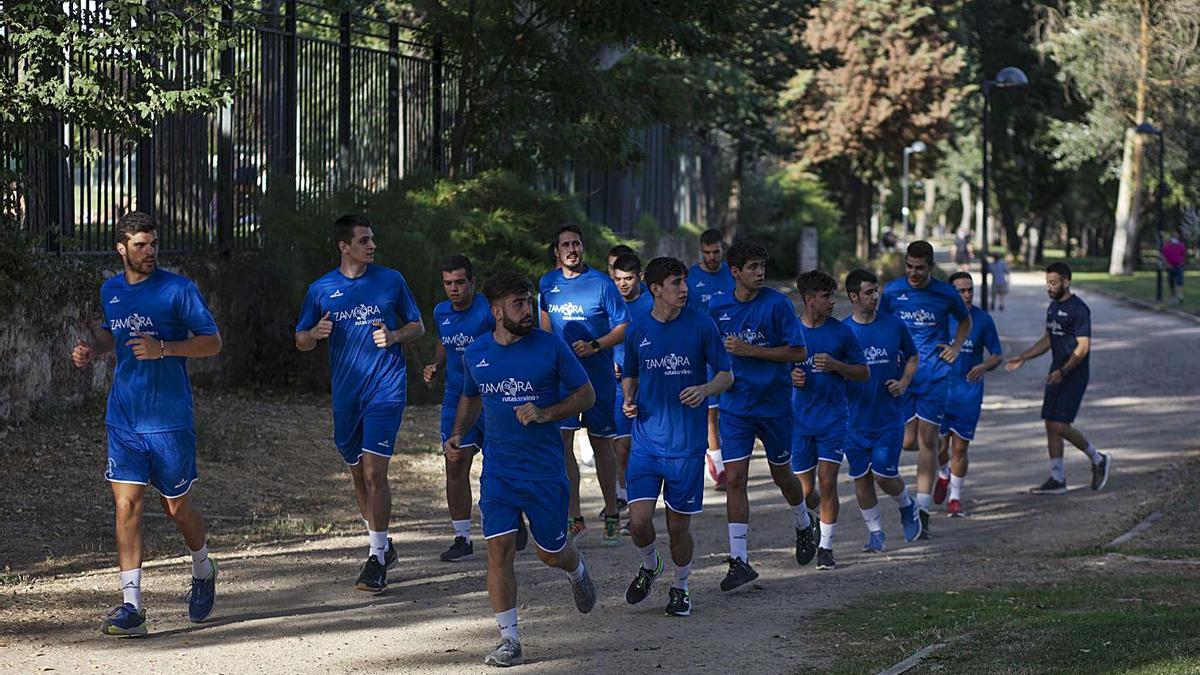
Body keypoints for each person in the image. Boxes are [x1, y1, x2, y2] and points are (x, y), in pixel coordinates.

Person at [71, 211, 223, 636]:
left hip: (170, 419)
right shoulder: (112, 290)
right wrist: (92, 349)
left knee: (175, 506)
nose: (150, 251)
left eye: (153, 243)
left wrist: (165, 349)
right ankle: (132, 605)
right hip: (124, 417)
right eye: (140, 245)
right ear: (122, 249)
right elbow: (111, 334)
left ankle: (203, 566)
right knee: (126, 505)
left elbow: (212, 342)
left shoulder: (178, 289)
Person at [447, 271, 598, 667]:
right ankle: (509, 639)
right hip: (499, 472)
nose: (527, 309)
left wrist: (547, 412)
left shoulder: (551, 348)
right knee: (499, 550)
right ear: (497, 311)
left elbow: (586, 394)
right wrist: (458, 433)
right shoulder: (476, 352)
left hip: (545, 473)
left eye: (529, 301)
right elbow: (471, 396)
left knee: (551, 553)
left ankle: (577, 568)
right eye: (518, 303)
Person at [295, 214, 425, 593]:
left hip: (386, 389)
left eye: (372, 240)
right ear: (344, 246)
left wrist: (396, 334)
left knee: (374, 473)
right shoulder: (321, 289)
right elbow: (299, 339)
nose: (372, 246)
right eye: (364, 240)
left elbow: (417, 325)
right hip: (347, 394)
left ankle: (375, 559)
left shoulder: (391, 280)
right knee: (357, 474)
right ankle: (383, 543)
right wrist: (313, 335)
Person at [621, 257, 733, 616]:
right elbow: (631, 373)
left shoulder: (702, 325)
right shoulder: (638, 329)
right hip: (645, 442)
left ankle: (681, 587)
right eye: (675, 283)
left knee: (677, 527)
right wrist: (628, 399)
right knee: (638, 521)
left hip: (686, 446)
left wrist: (704, 389)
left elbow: (726, 376)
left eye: (684, 282)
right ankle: (650, 564)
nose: (684, 289)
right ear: (655, 289)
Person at [710, 241, 814, 591]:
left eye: (762, 266)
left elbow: (798, 351)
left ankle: (803, 522)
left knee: (781, 474)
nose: (760, 272)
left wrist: (750, 350)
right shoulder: (718, 307)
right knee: (735, 478)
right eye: (752, 267)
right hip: (735, 407)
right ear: (735, 272)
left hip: (774, 405)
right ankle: (739, 561)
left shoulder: (777, 304)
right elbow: (709, 351)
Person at [539, 225, 630, 545]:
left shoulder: (602, 284)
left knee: (601, 443)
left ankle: (611, 514)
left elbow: (624, 326)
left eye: (576, 243)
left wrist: (595, 345)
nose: (572, 249)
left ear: (583, 247)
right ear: (556, 251)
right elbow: (545, 326)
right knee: (563, 443)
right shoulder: (547, 283)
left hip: (598, 377)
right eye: (565, 244)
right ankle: (574, 516)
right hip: (562, 380)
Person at [881, 240, 971, 539]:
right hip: (902, 375)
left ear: (930, 267)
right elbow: (882, 323)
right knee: (907, 441)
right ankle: (934, 475)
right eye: (909, 266)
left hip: (934, 375)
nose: (913, 273)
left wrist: (957, 347)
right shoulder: (893, 291)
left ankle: (922, 511)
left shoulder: (945, 293)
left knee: (928, 440)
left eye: (920, 268)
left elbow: (965, 321)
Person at [1006, 262, 1111, 494]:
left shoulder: (1079, 309)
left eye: (1053, 283)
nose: (1049, 287)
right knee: (1050, 424)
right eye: (1047, 283)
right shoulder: (1053, 307)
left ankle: (1098, 458)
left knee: (1060, 425)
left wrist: (1063, 371)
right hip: (1056, 373)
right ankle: (1057, 478)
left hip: (1074, 374)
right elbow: (1047, 340)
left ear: (1066, 282)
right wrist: (1024, 357)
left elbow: (1083, 348)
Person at [790, 271, 869, 570]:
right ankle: (811, 520)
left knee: (828, 480)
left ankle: (826, 546)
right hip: (799, 420)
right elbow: (772, 371)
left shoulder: (841, 333)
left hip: (834, 417)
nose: (832, 302)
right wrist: (790, 377)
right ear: (810, 300)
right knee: (805, 491)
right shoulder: (791, 332)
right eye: (826, 296)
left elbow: (863, 372)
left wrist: (837, 365)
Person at [423, 255, 499, 562]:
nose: (453, 289)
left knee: (498, 465)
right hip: (456, 397)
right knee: (454, 461)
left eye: (459, 283)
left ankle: (509, 519)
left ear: (472, 283)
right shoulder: (441, 311)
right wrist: (435, 364)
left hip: (492, 397)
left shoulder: (488, 311)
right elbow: (444, 341)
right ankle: (462, 537)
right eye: (448, 283)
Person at [841, 270, 923, 551]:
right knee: (861, 477)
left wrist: (903, 382)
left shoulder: (894, 325)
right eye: (868, 292)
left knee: (884, 474)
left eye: (876, 291)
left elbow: (912, 356)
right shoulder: (843, 331)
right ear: (853, 296)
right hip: (854, 420)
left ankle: (907, 505)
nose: (875, 297)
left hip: (888, 416)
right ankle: (875, 532)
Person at [933, 272, 1003, 517]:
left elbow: (997, 355)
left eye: (969, 290)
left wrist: (984, 366)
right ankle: (943, 473)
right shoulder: (940, 318)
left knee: (960, 448)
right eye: (961, 291)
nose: (967, 295)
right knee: (939, 447)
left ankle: (955, 498)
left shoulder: (983, 319)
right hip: (940, 393)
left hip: (968, 394)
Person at [687, 228, 737, 491]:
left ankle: (730, 460)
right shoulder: (691, 278)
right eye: (707, 253)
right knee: (710, 412)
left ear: (723, 250)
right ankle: (717, 463)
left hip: (732, 351)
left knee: (731, 410)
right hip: (702, 353)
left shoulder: (732, 274)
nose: (712, 257)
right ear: (700, 251)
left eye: (716, 252)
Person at [610, 252, 654, 532]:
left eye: (628, 279)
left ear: (639, 277)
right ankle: (623, 504)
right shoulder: (608, 302)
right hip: (616, 387)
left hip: (649, 385)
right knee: (622, 449)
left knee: (644, 450)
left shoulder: (652, 303)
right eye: (617, 280)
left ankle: (641, 508)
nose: (623, 285)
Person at [1162, 229, 1187, 304]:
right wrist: (1167, 264)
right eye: (1174, 236)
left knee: (1180, 281)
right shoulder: (1167, 246)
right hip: (1170, 266)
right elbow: (1164, 256)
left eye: (1176, 236)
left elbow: (1183, 255)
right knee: (1171, 282)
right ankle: (1172, 296)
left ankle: (1180, 295)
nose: (1175, 238)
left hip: (1179, 266)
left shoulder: (1181, 245)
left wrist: (1182, 263)